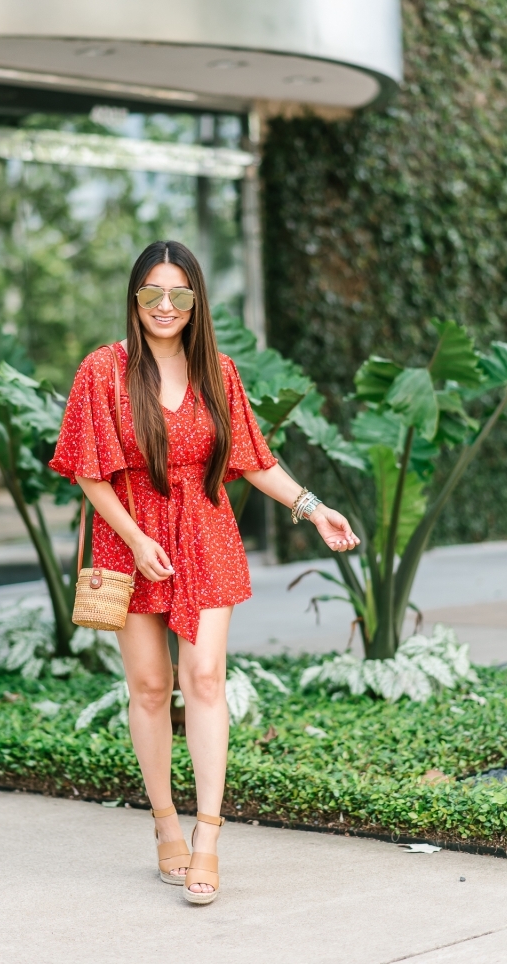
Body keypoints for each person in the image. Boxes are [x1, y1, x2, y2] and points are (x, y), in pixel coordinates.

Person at [49, 240, 359, 904]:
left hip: (204, 533)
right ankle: (165, 823)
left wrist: (314, 507)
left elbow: (252, 458)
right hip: (127, 534)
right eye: (153, 294)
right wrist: (133, 539)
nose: (166, 307)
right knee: (151, 687)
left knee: (206, 678)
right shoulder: (103, 371)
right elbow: (86, 469)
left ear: (196, 302)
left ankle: (209, 837)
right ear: (135, 300)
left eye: (180, 295)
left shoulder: (218, 372)